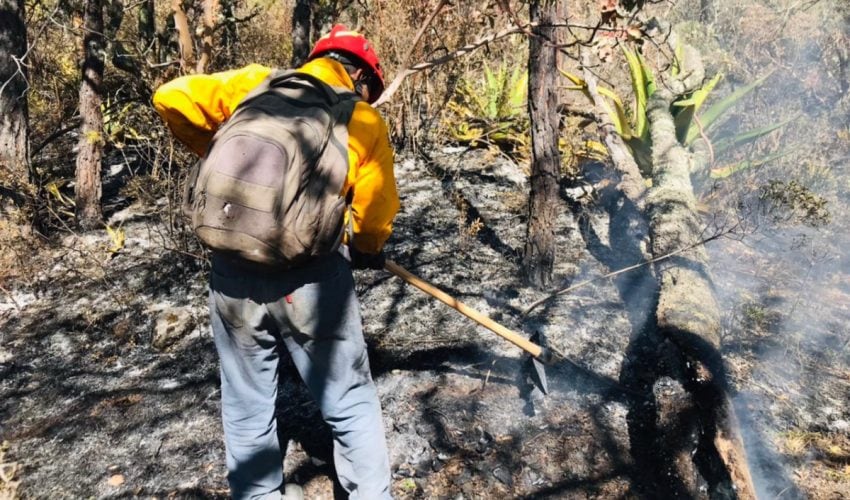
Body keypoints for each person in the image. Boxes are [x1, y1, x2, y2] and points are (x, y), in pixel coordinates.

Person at [153, 25, 399, 500]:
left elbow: (171, 96)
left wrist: (221, 156)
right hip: (310, 280)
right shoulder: (361, 118)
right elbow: (375, 215)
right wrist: (367, 249)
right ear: (362, 77)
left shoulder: (257, 83)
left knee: (246, 402)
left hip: (231, 270)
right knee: (348, 401)